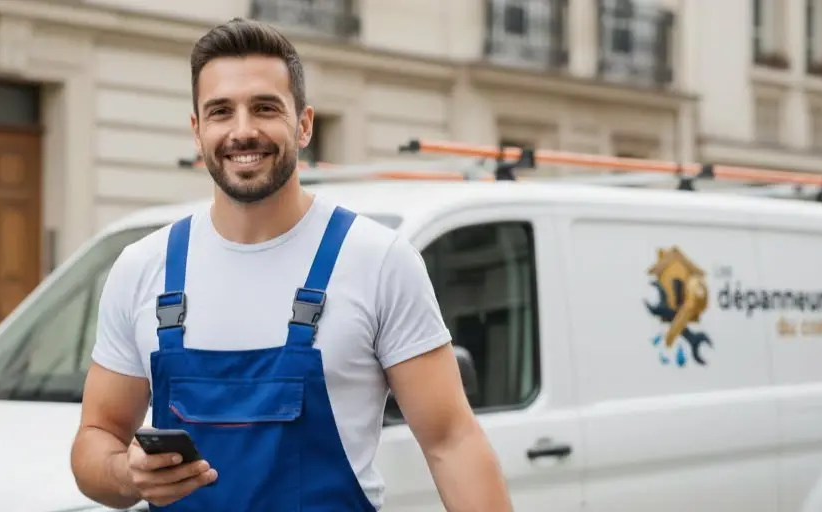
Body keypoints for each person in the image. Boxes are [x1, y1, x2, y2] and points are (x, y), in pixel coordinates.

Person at [69, 17, 512, 512]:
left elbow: (452, 443)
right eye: (220, 111)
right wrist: (127, 475)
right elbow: (97, 437)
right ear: (197, 131)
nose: (242, 131)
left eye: (264, 108)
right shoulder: (142, 269)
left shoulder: (379, 262)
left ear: (303, 125)